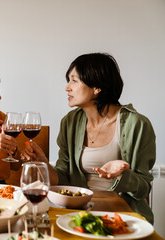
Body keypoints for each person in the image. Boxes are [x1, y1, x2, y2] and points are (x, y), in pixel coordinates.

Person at [22, 53, 156, 223]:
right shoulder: (70, 122)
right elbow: (63, 178)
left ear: (97, 88)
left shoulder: (137, 124)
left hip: (122, 215)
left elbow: (144, 187)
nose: (67, 87)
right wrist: (43, 163)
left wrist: (122, 174)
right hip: (78, 214)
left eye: (74, 81)